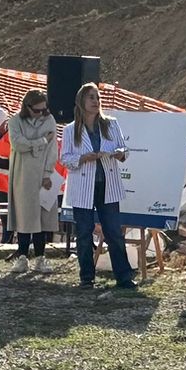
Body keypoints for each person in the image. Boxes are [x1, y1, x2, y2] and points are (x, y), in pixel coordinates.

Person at [59, 82, 137, 292]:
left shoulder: (111, 124)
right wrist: (84, 158)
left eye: (97, 97)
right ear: (81, 101)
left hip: (107, 185)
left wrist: (120, 153)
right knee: (83, 232)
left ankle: (124, 277)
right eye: (91, 97)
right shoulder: (70, 130)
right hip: (83, 186)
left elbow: (124, 149)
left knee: (113, 232)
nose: (96, 101)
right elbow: (65, 159)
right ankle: (86, 278)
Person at [7, 88, 60, 271]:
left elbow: (53, 150)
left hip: (43, 173)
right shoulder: (15, 121)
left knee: (42, 217)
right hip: (23, 174)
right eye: (37, 110)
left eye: (44, 110)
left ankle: (40, 257)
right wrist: (41, 142)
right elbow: (18, 144)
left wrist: (47, 173)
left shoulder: (50, 120)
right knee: (24, 216)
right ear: (27, 107)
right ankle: (22, 256)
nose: (41, 114)